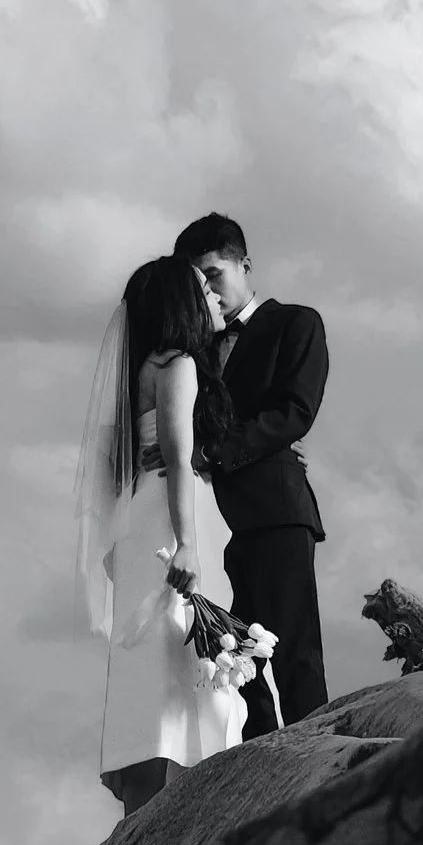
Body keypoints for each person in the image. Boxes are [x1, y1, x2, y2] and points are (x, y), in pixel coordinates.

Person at [75, 254, 249, 814]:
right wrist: (190, 545)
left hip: (141, 514)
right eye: (202, 287)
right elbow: (176, 456)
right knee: (177, 660)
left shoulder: (136, 371)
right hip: (174, 518)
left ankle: (143, 812)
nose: (213, 294)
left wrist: (116, 536)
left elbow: (109, 453)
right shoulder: (177, 365)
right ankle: (183, 810)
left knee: (154, 664)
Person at [175, 212, 328, 733]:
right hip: (210, 519)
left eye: (214, 274)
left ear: (244, 264)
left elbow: (294, 412)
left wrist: (212, 452)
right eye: (198, 282)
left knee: (293, 648)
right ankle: (258, 765)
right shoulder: (191, 350)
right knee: (233, 654)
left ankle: (319, 764)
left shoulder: (296, 322)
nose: (209, 292)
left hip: (275, 509)